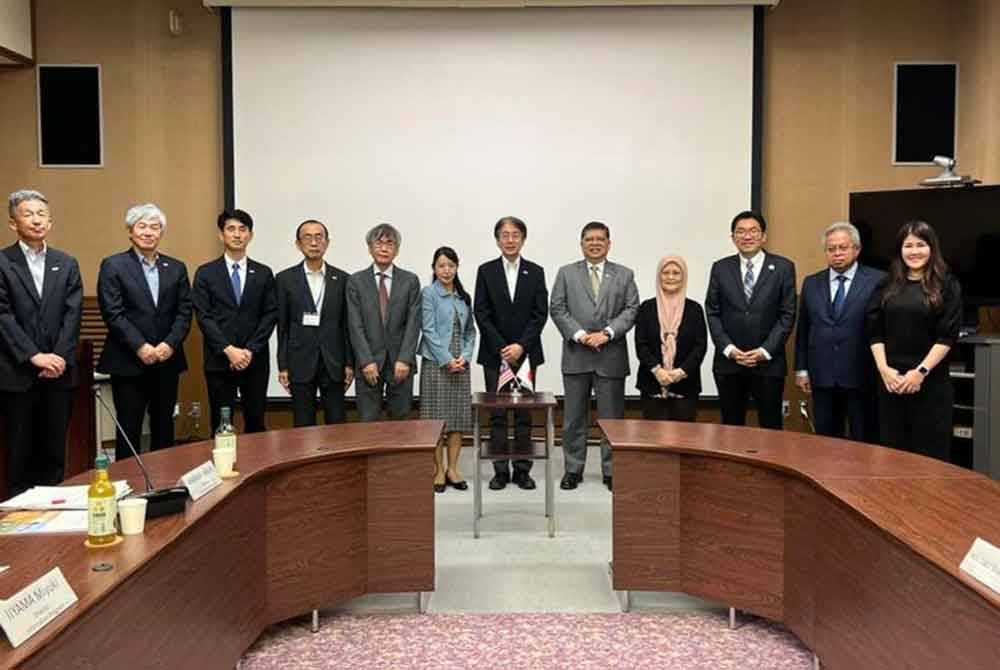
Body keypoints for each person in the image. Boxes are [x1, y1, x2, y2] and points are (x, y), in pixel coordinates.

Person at [0, 190, 83, 495]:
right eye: (28, 214)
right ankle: (18, 527)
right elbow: (3, 316)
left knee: (54, 452)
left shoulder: (66, 262)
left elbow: (72, 315)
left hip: (58, 375)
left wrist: (58, 357)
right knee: (19, 452)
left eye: (41, 214)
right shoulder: (2, 261)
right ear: (13, 223)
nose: (36, 220)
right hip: (18, 374)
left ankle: (55, 517)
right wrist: (33, 356)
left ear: (50, 221)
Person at [97, 204, 192, 460]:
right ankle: (129, 487)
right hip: (128, 361)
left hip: (166, 360)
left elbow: (184, 312)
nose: (148, 232)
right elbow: (113, 313)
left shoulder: (176, 267)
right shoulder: (113, 265)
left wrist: (169, 345)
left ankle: (164, 487)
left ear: (162, 232)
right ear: (130, 231)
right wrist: (140, 346)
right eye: (142, 226)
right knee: (129, 426)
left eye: (155, 226)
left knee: (164, 425)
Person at [550, 221, 639, 491]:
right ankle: (573, 469)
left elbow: (631, 309)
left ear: (609, 244)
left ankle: (611, 470)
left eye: (601, 239)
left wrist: (608, 333)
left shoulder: (624, 275)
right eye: (589, 239)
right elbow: (557, 307)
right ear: (581, 244)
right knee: (574, 418)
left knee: (611, 419)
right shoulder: (566, 273)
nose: (595, 243)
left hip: (610, 356)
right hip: (577, 354)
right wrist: (580, 335)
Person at [867, 220, 961, 462]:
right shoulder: (886, 284)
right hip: (891, 383)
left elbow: (946, 336)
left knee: (930, 457)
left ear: (932, 248)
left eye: (921, 244)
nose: (914, 251)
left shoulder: (948, 284)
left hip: (930, 383)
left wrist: (919, 372)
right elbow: (874, 331)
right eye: (908, 245)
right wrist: (884, 370)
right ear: (900, 250)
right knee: (892, 455)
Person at [473, 216, 548, 491]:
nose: (510, 239)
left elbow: (541, 314)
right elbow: (481, 312)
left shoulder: (536, 271)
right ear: (497, 239)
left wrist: (521, 347)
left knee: (524, 413)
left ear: (523, 239)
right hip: (495, 355)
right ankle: (500, 470)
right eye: (504, 235)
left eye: (515, 235)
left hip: (526, 354)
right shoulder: (486, 271)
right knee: (498, 412)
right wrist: (502, 347)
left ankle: (523, 470)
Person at [705, 210, 796, 430]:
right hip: (729, 363)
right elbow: (712, 311)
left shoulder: (783, 267)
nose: (747, 236)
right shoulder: (720, 267)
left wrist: (765, 351)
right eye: (741, 231)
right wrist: (729, 349)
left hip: (768, 363)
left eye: (753, 231)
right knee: (731, 426)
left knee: (771, 425)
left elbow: (787, 314)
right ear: (733, 237)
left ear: (763, 236)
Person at [795, 222, 885, 441]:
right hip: (822, 376)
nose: (837, 254)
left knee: (864, 439)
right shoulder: (811, 283)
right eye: (831, 249)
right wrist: (801, 369)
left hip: (862, 375)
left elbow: (883, 329)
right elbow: (804, 330)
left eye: (842, 248)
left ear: (857, 249)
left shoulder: (879, 280)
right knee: (826, 442)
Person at [192, 209, 277, 433]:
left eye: (243, 229)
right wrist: (229, 350)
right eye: (231, 229)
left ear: (250, 235)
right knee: (221, 425)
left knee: (256, 423)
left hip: (254, 361)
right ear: (221, 235)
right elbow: (204, 316)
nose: (237, 234)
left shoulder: (264, 273)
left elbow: (270, 315)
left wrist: (249, 350)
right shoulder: (205, 273)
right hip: (220, 360)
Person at [274, 220, 353, 426]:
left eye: (319, 237)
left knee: (336, 423)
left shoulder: (343, 279)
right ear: (298, 244)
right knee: (303, 424)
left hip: (333, 361)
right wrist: (283, 365)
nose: (314, 242)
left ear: (327, 243)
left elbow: (347, 326)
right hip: (299, 360)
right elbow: (282, 326)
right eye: (307, 237)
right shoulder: (284, 279)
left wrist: (349, 363)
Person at [346, 223, 421, 421]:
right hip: (368, 364)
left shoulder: (410, 280)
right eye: (378, 243)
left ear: (397, 249)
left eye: (390, 243)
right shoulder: (356, 281)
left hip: (400, 364)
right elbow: (355, 325)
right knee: (368, 422)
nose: (384, 248)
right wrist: (366, 360)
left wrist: (405, 359)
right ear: (370, 248)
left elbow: (413, 323)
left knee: (400, 422)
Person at [419, 247, 476, 493]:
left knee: (457, 420)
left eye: (451, 265)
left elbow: (471, 331)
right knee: (436, 421)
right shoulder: (428, 293)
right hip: (436, 363)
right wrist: (446, 359)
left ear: (457, 267)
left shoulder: (464, 296)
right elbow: (428, 330)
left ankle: (453, 469)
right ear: (434, 268)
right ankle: (438, 470)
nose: (446, 270)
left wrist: (464, 357)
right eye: (441, 265)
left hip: (460, 365)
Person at [634, 256, 707, 421]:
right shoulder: (647, 307)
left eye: (676, 273)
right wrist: (657, 370)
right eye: (665, 272)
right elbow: (641, 344)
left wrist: (680, 372)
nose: (671, 277)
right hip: (652, 383)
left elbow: (700, 346)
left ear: (684, 277)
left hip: (686, 385)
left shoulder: (695, 309)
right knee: (653, 439)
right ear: (658, 276)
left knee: (684, 441)